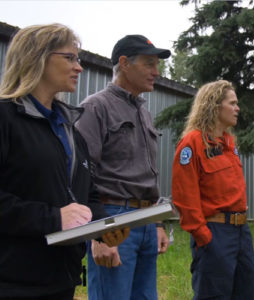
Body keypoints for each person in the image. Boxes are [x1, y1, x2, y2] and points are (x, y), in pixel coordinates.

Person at [0, 23, 128, 299]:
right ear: (37, 56)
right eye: (70, 57)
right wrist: (52, 218)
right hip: (8, 282)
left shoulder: (70, 129)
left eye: (80, 59)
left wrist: (103, 226)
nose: (79, 67)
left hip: (61, 279)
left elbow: (88, 194)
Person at [75, 34, 171, 300]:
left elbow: (148, 174)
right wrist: (98, 233)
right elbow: (82, 174)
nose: (156, 72)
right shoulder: (96, 107)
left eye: (157, 65)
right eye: (149, 64)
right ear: (125, 63)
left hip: (146, 221)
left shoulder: (143, 112)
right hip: (113, 218)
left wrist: (158, 222)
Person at [172, 80, 254, 299]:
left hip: (241, 232)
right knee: (214, 294)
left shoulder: (228, 144)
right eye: (232, 103)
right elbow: (184, 197)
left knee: (247, 291)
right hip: (215, 233)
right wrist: (205, 237)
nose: (237, 108)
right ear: (214, 105)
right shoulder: (192, 143)